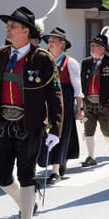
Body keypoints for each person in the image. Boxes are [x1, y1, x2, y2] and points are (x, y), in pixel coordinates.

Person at [0, 6, 63, 219]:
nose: (8, 29)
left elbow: (55, 95)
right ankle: (26, 204)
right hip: (4, 124)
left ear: (26, 31)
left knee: (26, 175)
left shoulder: (42, 58)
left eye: (13, 26)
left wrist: (56, 130)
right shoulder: (1, 54)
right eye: (8, 25)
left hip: (30, 125)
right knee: (0, 175)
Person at [38, 27, 83, 184]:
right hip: (47, 102)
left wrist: (80, 109)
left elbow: (77, 88)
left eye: (53, 41)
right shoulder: (45, 60)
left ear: (62, 44)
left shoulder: (70, 63)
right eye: (48, 41)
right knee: (44, 133)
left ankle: (55, 170)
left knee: (61, 135)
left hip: (65, 102)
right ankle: (54, 161)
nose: (49, 44)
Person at [80, 32, 109, 167]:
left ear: (102, 48)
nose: (91, 47)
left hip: (105, 103)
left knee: (106, 129)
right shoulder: (86, 63)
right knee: (88, 129)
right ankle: (91, 157)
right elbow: (82, 82)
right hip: (88, 103)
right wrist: (81, 102)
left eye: (94, 46)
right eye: (91, 45)